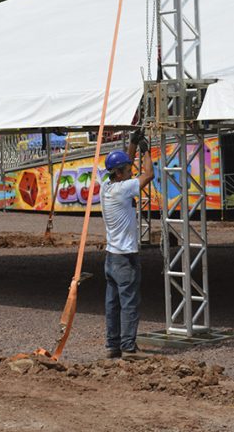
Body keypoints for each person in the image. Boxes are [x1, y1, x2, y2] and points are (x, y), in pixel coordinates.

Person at [101, 129, 154, 359]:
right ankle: (128, 347)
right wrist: (146, 151)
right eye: (127, 169)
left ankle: (113, 346)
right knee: (129, 303)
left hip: (111, 257)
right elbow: (148, 175)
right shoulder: (124, 190)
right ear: (120, 174)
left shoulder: (107, 186)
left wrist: (132, 143)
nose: (130, 170)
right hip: (125, 257)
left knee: (112, 304)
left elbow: (126, 164)